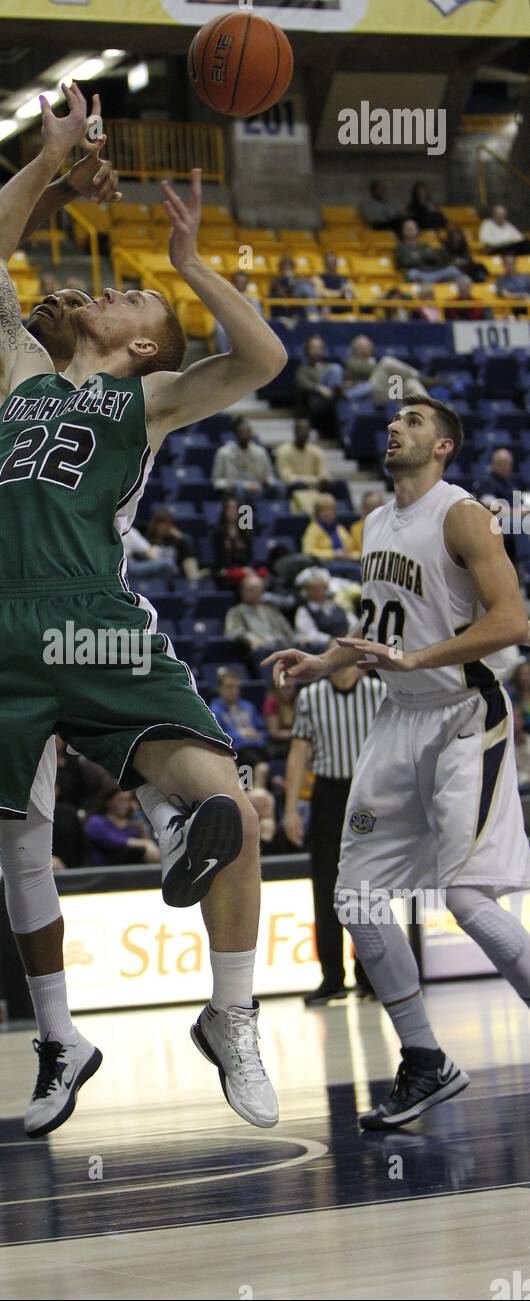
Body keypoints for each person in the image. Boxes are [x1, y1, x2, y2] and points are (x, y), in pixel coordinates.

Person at [0, 86, 288, 1166]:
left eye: (125, 294)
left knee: (234, 809)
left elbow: (261, 365)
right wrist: (49, 156)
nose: (104, 290)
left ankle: (231, 1017)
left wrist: (194, 267)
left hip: (95, 624)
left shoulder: (147, 402)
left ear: (147, 342)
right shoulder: (18, 369)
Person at [266, 395, 530, 1129]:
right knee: (353, 896)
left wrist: (418, 657)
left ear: (444, 446)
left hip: (463, 717)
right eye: (395, 419)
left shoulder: (464, 514)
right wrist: (324, 662)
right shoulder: (377, 522)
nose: (396, 427)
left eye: (414, 421)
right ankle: (425, 1060)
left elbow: (513, 622)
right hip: (397, 718)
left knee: (470, 902)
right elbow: (380, 623)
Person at [282, 660, 384, 1004]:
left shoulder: (379, 691)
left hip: (368, 794)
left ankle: (372, 977)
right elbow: (298, 753)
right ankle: (333, 978)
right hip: (327, 794)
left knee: (371, 889)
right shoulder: (312, 696)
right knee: (325, 888)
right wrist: (291, 807)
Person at [208, 668, 269, 780]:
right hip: (237, 753)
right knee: (250, 761)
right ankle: (249, 789)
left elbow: (263, 730)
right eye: (229, 687)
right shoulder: (214, 711)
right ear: (220, 688)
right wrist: (241, 735)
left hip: (258, 748)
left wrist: (258, 735)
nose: (234, 691)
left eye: (236, 687)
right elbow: (218, 737)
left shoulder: (248, 707)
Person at [341, 335, 427, 407]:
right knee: (386, 362)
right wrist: (382, 369)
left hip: (387, 391)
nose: (365, 349)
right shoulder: (352, 362)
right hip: (370, 395)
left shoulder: (374, 362)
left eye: (367, 345)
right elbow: (366, 370)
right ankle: (420, 376)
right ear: (355, 349)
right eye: (361, 347)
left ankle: (429, 409)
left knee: (411, 383)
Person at [83, 787, 160, 865]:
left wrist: (144, 833)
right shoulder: (96, 821)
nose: (125, 804)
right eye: (120, 800)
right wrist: (145, 843)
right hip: (105, 869)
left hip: (134, 868)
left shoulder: (134, 823)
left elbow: (154, 845)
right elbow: (116, 842)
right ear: (108, 802)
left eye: (128, 800)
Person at [225, 573, 294, 658]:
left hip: (280, 648)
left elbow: (287, 631)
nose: (255, 593)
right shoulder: (236, 611)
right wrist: (250, 638)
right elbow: (234, 632)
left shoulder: (271, 609)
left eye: (258, 590)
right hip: (258, 651)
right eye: (250, 590)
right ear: (242, 591)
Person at [211, 418, 274, 497]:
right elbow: (217, 481)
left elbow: (269, 476)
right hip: (235, 490)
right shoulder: (223, 452)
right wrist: (240, 485)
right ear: (235, 434)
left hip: (258, 489)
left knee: (277, 487)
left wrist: (266, 481)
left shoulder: (260, 452)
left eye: (247, 432)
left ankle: (275, 508)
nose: (244, 435)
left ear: (251, 434)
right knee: (239, 489)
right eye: (241, 432)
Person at [275, 417, 329, 510]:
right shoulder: (283, 450)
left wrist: (322, 479)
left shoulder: (316, 451)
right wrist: (314, 480)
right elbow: (287, 476)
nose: (303, 433)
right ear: (295, 431)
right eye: (301, 430)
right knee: (300, 485)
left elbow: (323, 472)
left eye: (306, 430)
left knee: (340, 485)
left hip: (316, 486)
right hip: (294, 488)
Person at [293, 337, 341, 440]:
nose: (317, 350)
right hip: (315, 401)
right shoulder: (303, 368)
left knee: (336, 369)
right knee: (335, 370)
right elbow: (302, 383)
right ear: (307, 350)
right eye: (314, 348)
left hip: (330, 400)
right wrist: (319, 388)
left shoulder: (328, 366)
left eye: (319, 348)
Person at [293, 568, 350, 648]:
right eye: (314, 589)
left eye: (321, 588)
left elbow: (353, 623)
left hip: (346, 643)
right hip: (324, 648)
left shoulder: (337, 607)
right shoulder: (304, 610)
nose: (318, 592)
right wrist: (330, 640)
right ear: (306, 592)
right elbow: (310, 634)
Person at [144, 506, 203, 582]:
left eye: (168, 524)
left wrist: (182, 538)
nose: (165, 528)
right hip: (157, 575)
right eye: (162, 524)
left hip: (176, 576)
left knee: (186, 541)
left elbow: (183, 559)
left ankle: (193, 577)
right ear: (155, 525)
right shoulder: (146, 541)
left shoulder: (176, 541)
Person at [394, 219, 459, 285]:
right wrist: (424, 256)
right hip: (419, 273)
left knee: (453, 270)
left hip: (432, 271)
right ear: (403, 231)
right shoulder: (400, 248)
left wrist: (417, 256)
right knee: (412, 273)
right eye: (407, 228)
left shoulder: (424, 245)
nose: (410, 230)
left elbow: (434, 258)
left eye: (412, 228)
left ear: (417, 230)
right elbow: (405, 262)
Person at [212, 495, 253, 587]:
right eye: (229, 509)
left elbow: (249, 556)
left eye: (235, 509)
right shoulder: (218, 532)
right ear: (224, 511)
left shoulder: (244, 532)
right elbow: (218, 558)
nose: (232, 512)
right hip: (225, 570)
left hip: (243, 569)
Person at [302, 495, 353, 561]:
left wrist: (352, 556)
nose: (327, 513)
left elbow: (352, 549)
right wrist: (333, 554)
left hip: (346, 563)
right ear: (317, 513)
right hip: (324, 564)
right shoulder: (313, 528)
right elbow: (307, 551)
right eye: (323, 510)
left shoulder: (340, 528)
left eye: (330, 510)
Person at [347, 489, 386, 558]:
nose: (372, 511)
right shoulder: (355, 527)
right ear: (363, 508)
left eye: (375, 507)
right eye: (369, 507)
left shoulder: (389, 526)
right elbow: (351, 551)